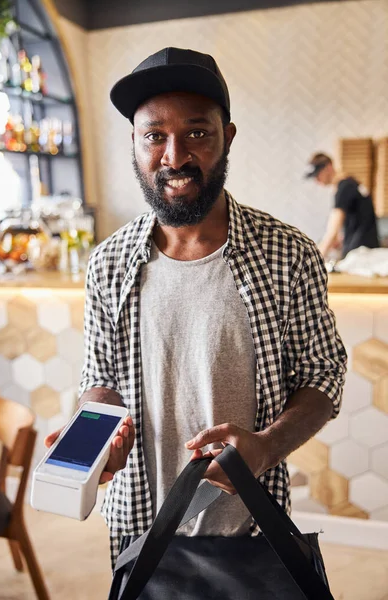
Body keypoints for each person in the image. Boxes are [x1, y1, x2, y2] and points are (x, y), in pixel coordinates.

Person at [45, 48, 347, 569]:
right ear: (134, 144)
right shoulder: (108, 263)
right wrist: (100, 437)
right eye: (154, 135)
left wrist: (266, 446)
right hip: (138, 527)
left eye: (197, 133)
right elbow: (101, 377)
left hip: (253, 527)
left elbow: (323, 375)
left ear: (227, 136)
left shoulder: (288, 253)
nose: (175, 155)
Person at [304, 152, 380, 259]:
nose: (317, 180)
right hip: (366, 250)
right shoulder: (351, 183)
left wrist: (315, 260)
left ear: (328, 167)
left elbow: (332, 231)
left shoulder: (344, 188)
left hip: (360, 255)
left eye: (318, 174)